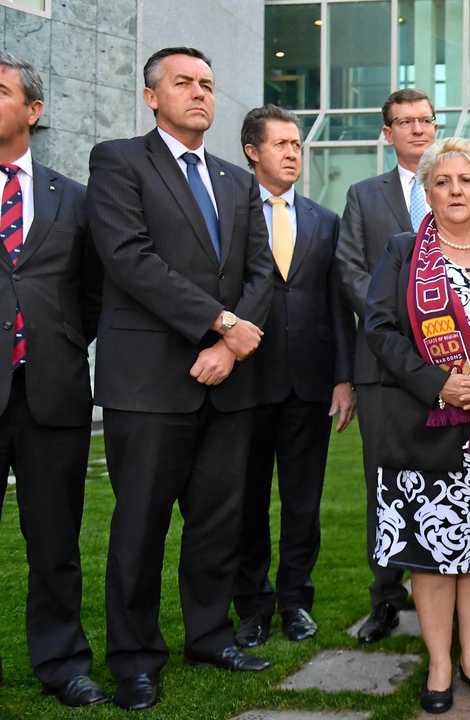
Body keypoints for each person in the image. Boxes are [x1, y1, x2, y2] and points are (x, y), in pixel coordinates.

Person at [88, 46, 275, 711]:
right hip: (147, 380)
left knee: (217, 523)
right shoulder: (118, 162)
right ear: (151, 97)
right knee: (139, 526)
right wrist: (220, 323)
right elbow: (129, 259)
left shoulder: (235, 179)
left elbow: (261, 274)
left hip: (227, 383)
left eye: (207, 84)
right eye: (183, 83)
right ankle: (135, 657)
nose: (199, 93)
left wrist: (229, 347)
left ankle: (209, 633)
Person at [365, 136, 470, 715]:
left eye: (467, 180)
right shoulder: (401, 251)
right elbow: (381, 330)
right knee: (430, 554)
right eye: (443, 181)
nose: (455, 190)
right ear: (427, 190)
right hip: (426, 424)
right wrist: (438, 382)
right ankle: (439, 663)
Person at [232, 105, 357, 649]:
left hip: (310, 384)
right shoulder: (230, 215)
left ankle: (295, 602)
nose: (291, 153)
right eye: (280, 144)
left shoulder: (325, 222)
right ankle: (253, 606)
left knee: (303, 502)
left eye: (297, 145)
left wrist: (344, 377)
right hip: (245, 382)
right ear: (252, 151)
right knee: (248, 499)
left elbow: (338, 307)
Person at [0, 52, 104, 707]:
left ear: (33, 112)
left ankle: (63, 664)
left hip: (53, 396)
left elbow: (93, 295)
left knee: (56, 545)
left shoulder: (75, 198)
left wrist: (62, 345)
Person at [334, 87, 437, 644]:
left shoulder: (458, 185)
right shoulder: (363, 195)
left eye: (425, 120)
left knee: (444, 480)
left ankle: (449, 586)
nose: (417, 130)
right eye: (405, 121)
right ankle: (386, 596)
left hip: (450, 368)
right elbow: (349, 267)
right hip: (382, 365)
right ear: (387, 133)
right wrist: (398, 319)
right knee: (386, 482)